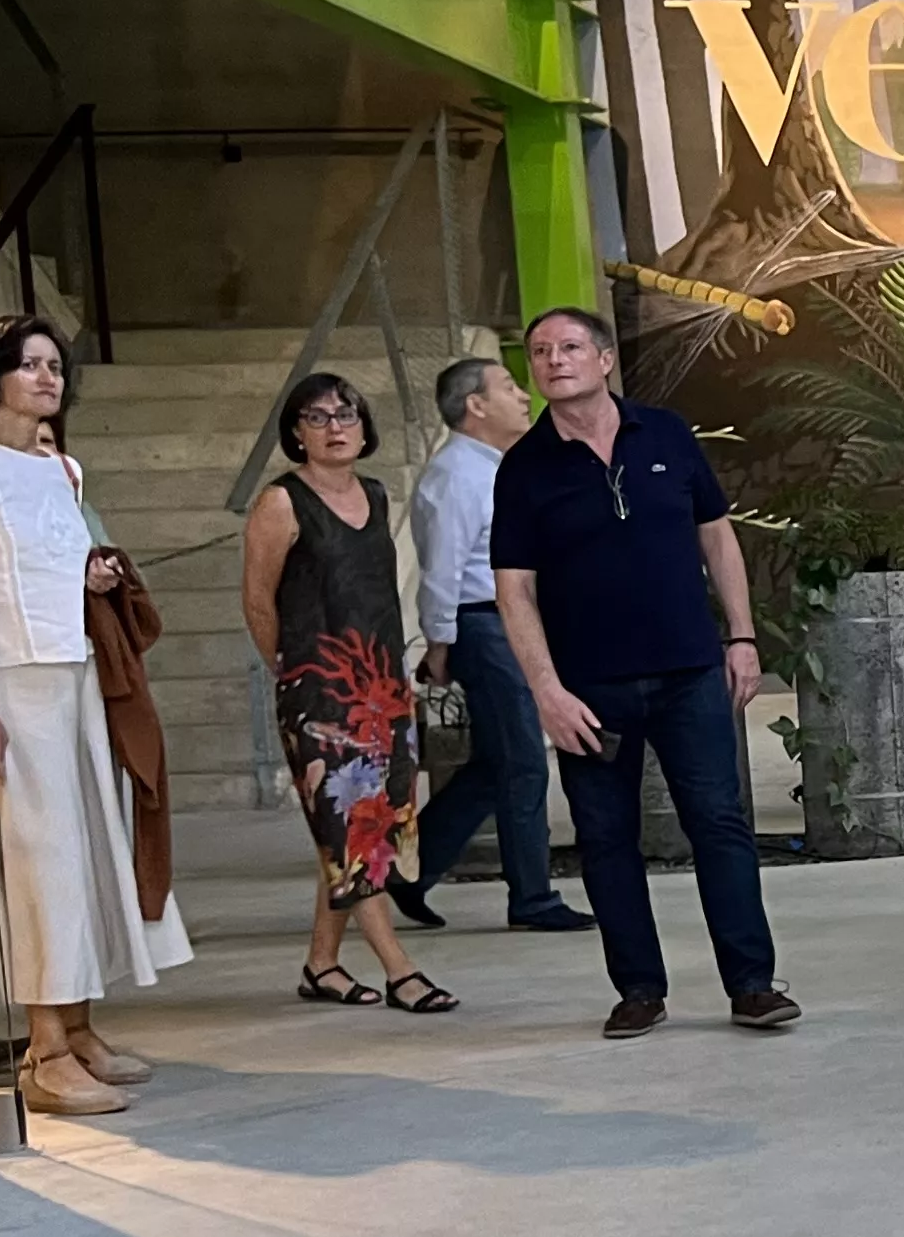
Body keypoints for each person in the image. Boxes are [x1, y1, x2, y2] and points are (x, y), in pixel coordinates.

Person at [488, 305, 798, 1041]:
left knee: (719, 824)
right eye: (539, 352)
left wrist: (743, 636)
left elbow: (717, 538)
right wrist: (546, 692)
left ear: (603, 360)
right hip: (589, 689)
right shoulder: (525, 468)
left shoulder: (666, 434)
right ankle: (638, 988)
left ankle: (752, 983)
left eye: (569, 346)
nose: (554, 360)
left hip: (691, 670)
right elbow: (514, 588)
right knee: (606, 839)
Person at [0, 313, 191, 1116]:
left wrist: (94, 579)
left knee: (89, 854)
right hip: (10, 683)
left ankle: (76, 1028)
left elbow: (48, 567)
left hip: (73, 677)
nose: (49, 378)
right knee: (42, 863)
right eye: (30, 365)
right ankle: (42, 1050)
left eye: (54, 366)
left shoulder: (62, 469)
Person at [238, 373, 452, 1014]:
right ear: (295, 433)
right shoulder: (281, 502)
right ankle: (400, 969)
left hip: (384, 687)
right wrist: (294, 670)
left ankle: (322, 963)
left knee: (362, 827)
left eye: (347, 413)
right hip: (321, 694)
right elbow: (257, 597)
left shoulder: (378, 495)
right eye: (317, 416)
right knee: (355, 834)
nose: (335, 426)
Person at [404, 352, 595, 932]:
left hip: (504, 622)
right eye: (509, 386)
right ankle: (532, 898)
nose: (523, 394)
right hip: (481, 624)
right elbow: (442, 566)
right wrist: (438, 641)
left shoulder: (496, 467)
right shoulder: (458, 475)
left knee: (495, 763)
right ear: (475, 406)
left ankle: (408, 871)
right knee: (523, 762)